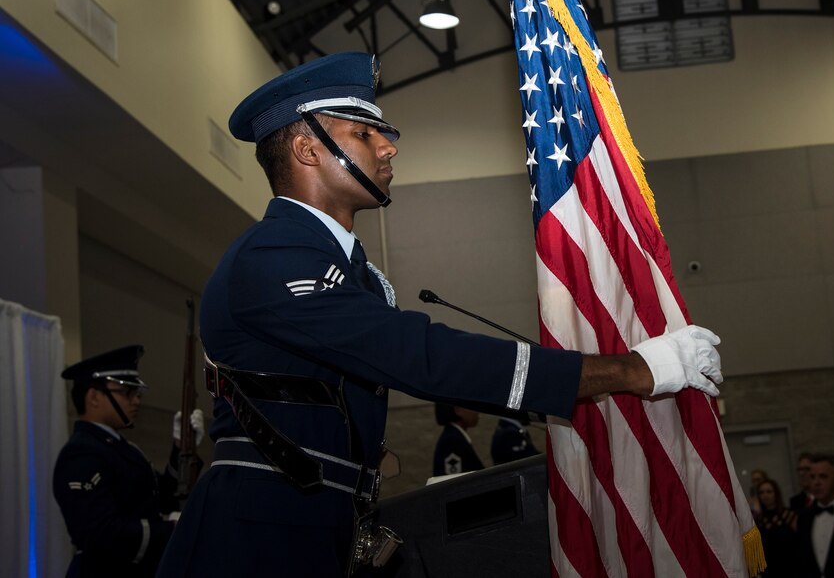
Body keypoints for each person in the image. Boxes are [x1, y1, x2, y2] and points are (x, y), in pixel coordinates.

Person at [156, 51, 724, 577]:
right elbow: (420, 357)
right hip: (254, 541)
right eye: (364, 132)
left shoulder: (335, 263)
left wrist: (586, 399)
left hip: (312, 526)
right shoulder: (272, 256)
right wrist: (628, 371)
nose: (388, 146)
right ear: (307, 149)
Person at [53, 345, 204, 578]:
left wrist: (181, 448)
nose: (136, 401)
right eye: (126, 392)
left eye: (137, 394)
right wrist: (171, 529)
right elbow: (102, 534)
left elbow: (163, 498)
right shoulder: (81, 453)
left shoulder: (119, 448)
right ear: (93, 396)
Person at [754, 478, 799, 578]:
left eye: (769, 491)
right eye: (761, 492)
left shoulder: (789, 515)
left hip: (790, 568)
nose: (765, 495)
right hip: (768, 571)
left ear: (776, 494)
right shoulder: (758, 520)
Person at [432, 404, 483, 476]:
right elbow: (454, 483)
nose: (477, 411)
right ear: (457, 410)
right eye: (471, 405)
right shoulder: (452, 442)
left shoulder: (454, 437)